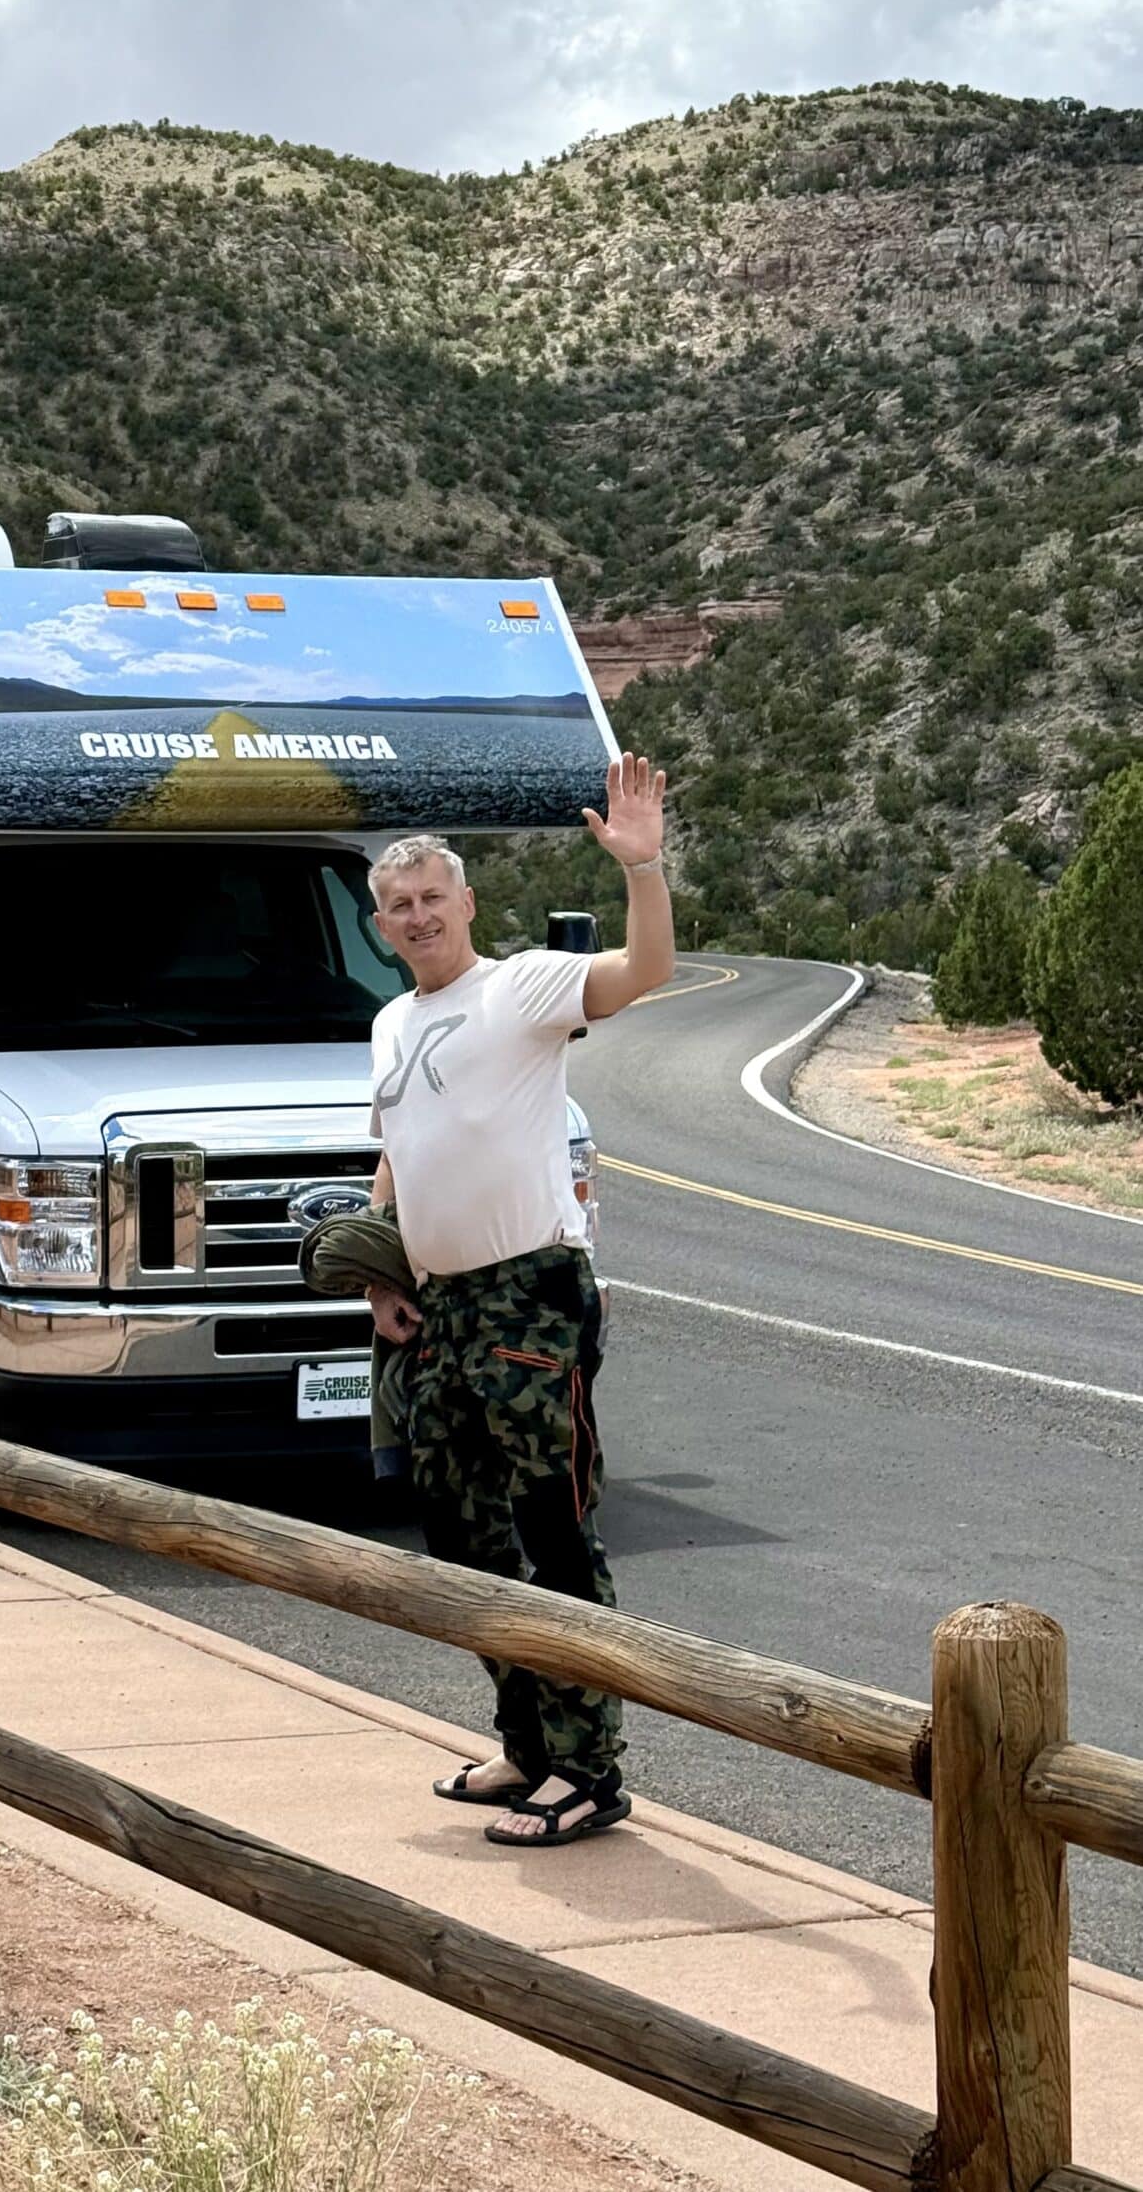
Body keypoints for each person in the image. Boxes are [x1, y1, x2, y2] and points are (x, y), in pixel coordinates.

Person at [362, 754, 674, 1849]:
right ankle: (527, 1745)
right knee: (463, 1537)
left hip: (532, 1298)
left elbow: (645, 969)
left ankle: (590, 1769)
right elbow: (397, 1154)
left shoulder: (525, 986)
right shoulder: (391, 1025)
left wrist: (644, 866)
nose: (416, 917)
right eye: (396, 906)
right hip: (441, 1308)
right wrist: (380, 1273)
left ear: (467, 903)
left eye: (431, 898)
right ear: (381, 923)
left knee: (553, 1530)